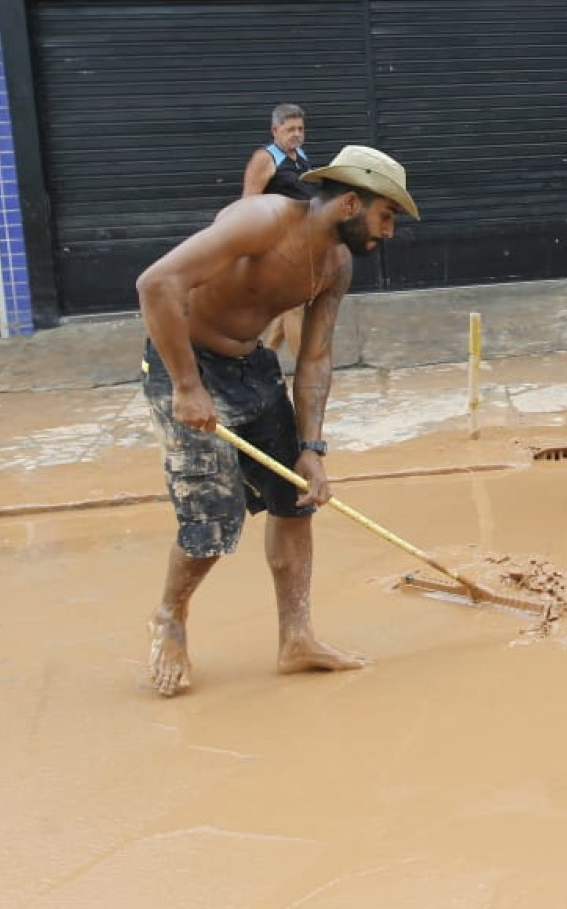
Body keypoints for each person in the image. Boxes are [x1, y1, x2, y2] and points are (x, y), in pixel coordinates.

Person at [137, 145, 421, 697]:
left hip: (252, 367)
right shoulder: (260, 221)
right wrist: (187, 387)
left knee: (296, 495)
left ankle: (296, 638)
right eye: (386, 217)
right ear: (349, 204)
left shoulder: (335, 266)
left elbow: (314, 356)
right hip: (185, 363)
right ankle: (169, 617)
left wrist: (312, 446)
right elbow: (156, 285)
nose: (388, 232)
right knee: (212, 521)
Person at [242, 103, 313, 359]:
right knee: (294, 306)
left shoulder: (300, 156)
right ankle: (307, 371)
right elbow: (248, 203)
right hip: (279, 244)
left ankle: (264, 361)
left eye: (300, 129)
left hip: (302, 240)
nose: (297, 134)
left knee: (293, 306)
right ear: (275, 130)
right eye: (290, 129)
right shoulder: (265, 158)